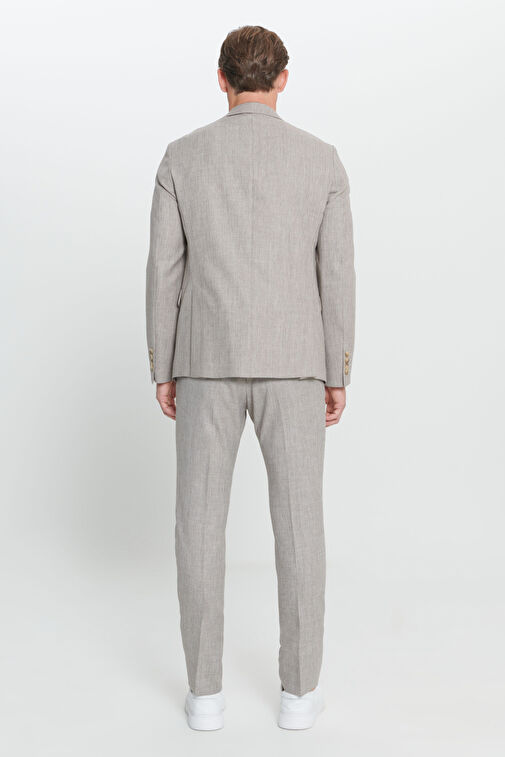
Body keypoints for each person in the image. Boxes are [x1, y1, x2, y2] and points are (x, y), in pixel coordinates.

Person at [145, 24, 355, 731]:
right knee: (300, 528)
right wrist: (336, 366)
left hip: (205, 361)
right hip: (296, 363)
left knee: (198, 527)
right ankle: (298, 693)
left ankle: (204, 696)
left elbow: (163, 271)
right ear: (283, 80)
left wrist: (164, 364)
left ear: (221, 79)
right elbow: (336, 275)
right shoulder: (321, 160)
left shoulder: (182, 157)